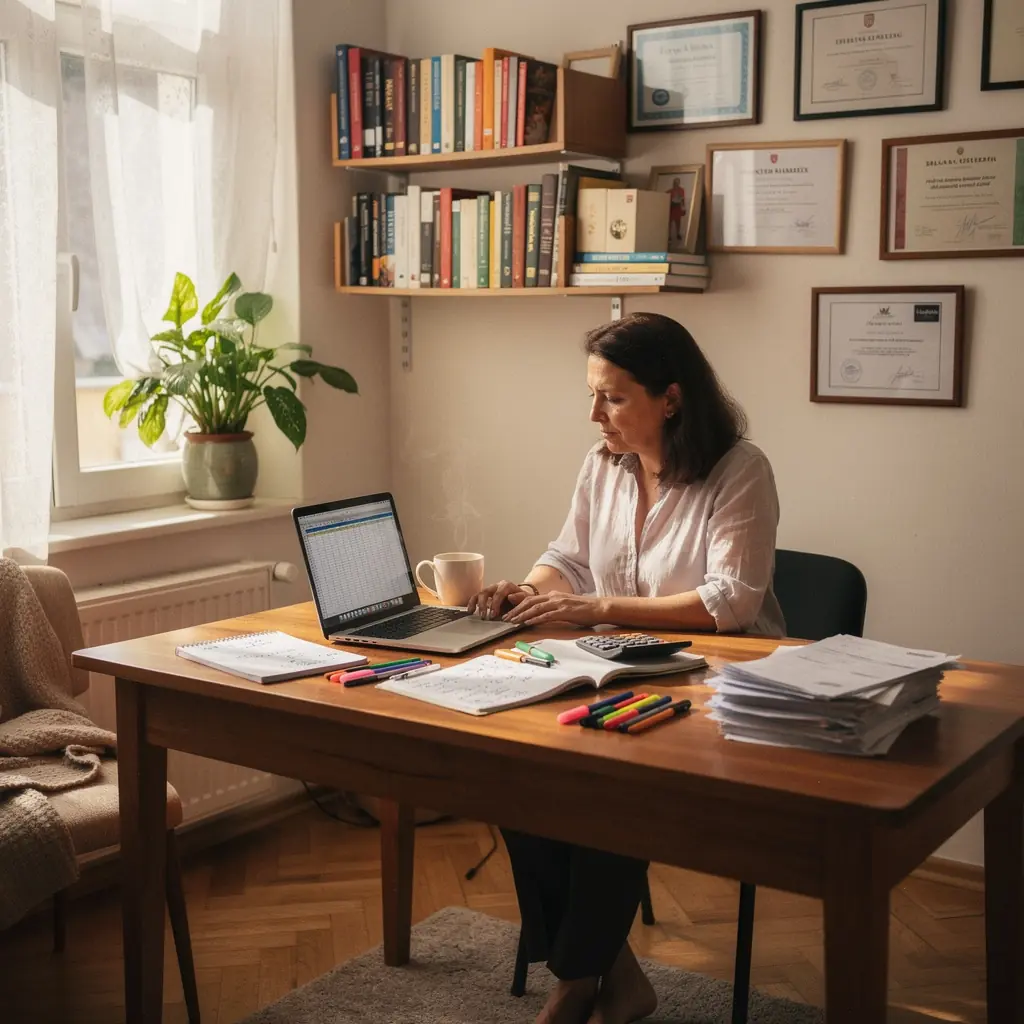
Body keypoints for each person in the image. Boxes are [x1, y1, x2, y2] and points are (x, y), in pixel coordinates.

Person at [467, 312, 784, 1024]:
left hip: (719, 686)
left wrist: (592, 607)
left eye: (612, 397)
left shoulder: (740, 470)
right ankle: (607, 973)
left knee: (613, 789)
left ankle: (575, 984)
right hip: (615, 666)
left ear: (670, 398)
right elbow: (569, 560)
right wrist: (530, 589)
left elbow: (729, 602)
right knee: (513, 772)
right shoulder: (601, 466)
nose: (594, 415)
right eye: (592, 395)